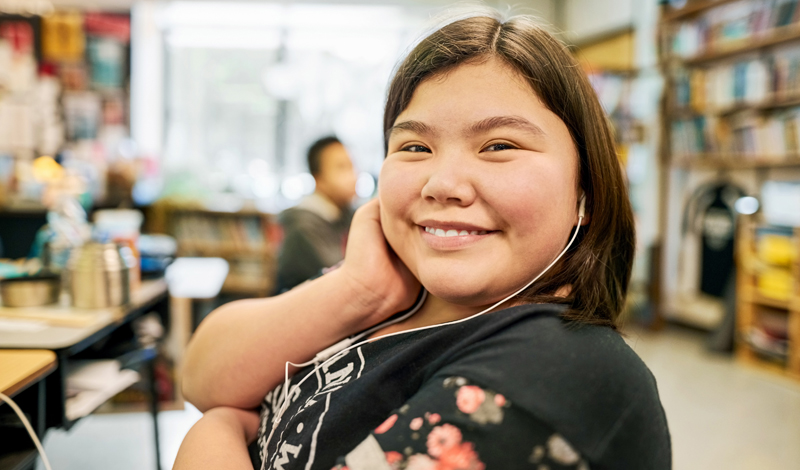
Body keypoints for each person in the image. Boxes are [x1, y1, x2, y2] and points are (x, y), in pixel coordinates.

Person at [176, 10, 671, 470]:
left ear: (585, 187)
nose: (442, 184)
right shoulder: (390, 291)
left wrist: (213, 432)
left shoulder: (566, 370)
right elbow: (202, 375)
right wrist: (357, 291)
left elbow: (212, 404)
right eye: (415, 146)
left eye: (499, 146)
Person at [275, 136, 356, 293]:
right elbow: (344, 277)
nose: (353, 176)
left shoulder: (345, 213)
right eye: (341, 167)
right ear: (318, 179)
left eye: (352, 166)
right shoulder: (304, 225)